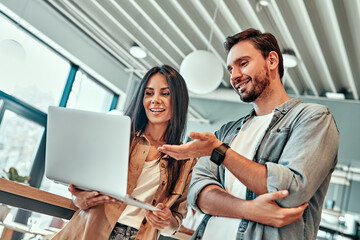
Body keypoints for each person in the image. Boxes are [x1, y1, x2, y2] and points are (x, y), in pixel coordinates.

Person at [158, 29, 339, 240]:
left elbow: (291, 192)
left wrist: (220, 152)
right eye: (230, 69)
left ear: (271, 60)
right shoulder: (226, 132)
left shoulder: (312, 118)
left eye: (243, 63)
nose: (234, 76)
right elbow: (197, 193)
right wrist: (249, 209)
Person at [52, 65, 197, 240]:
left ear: (179, 100)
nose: (155, 100)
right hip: (91, 230)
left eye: (165, 94)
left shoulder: (186, 160)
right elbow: (81, 193)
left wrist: (166, 222)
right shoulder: (117, 137)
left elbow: (175, 223)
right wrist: (80, 200)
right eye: (149, 93)